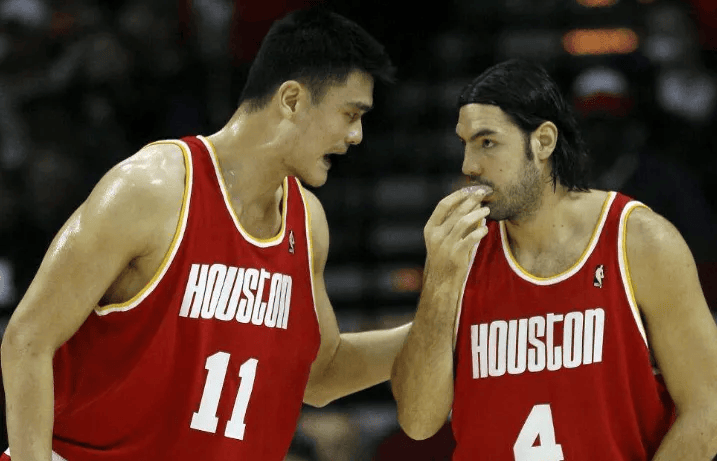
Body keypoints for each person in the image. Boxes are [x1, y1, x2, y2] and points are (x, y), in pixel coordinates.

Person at [1, 7, 410, 461]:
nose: (356, 135)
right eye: (350, 114)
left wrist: (439, 331)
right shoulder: (153, 189)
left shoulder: (307, 221)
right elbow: (27, 340)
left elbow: (320, 375)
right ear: (292, 100)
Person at [391, 59, 717, 460]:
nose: (469, 166)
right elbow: (418, 421)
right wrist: (439, 281)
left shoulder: (640, 241)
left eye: (487, 143)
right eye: (465, 144)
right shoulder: (462, 251)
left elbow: (707, 411)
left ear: (543, 142)